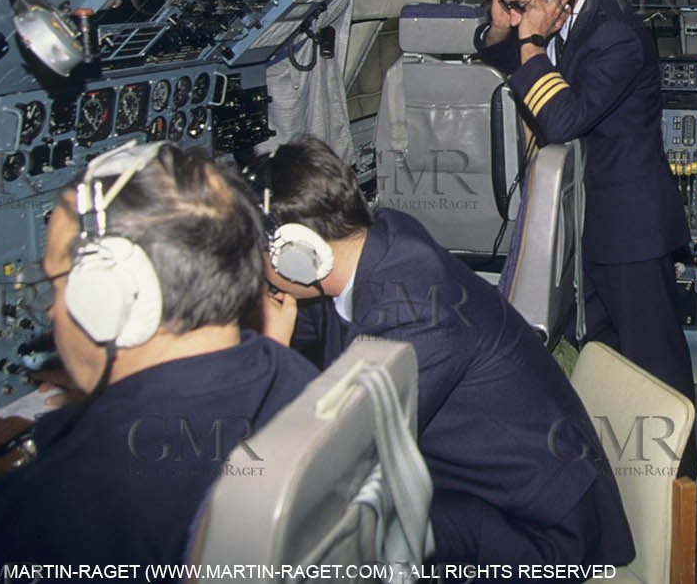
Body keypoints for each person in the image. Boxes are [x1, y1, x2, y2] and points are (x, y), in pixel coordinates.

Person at [258, 136, 633, 568]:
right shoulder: (382, 243)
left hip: (541, 529)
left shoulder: (417, 311)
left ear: (297, 254)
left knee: (342, 546)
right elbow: (325, 327)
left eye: (256, 251)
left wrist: (269, 358)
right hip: (488, 486)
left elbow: (344, 458)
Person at [0, 141, 318, 565]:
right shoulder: (294, 373)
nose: (49, 310)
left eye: (59, 284)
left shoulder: (71, 499)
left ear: (110, 294)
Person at [477, 0, 696, 411]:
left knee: (654, 362)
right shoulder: (555, 14)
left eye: (521, 7)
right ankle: (615, 465)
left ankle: (675, 475)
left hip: (630, 226)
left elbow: (561, 119)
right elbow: (508, 61)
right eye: (507, 6)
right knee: (601, 351)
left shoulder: (615, 32)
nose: (516, 19)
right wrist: (502, 29)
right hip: (585, 221)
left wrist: (533, 40)